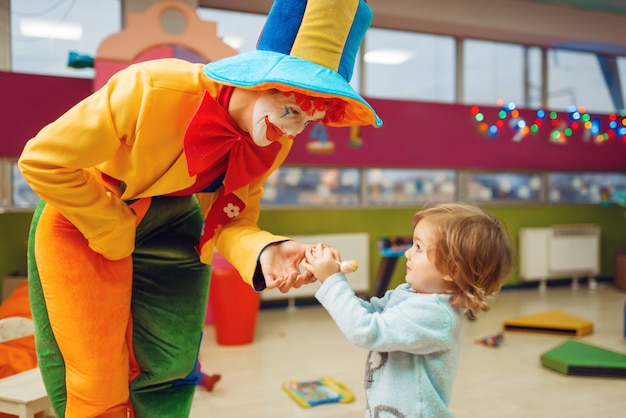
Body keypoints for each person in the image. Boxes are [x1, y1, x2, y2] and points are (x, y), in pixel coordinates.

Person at [17, 0, 382, 416]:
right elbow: (43, 159)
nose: (295, 130)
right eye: (293, 111)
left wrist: (266, 250)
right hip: (87, 216)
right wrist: (113, 224)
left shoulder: (274, 140)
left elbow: (233, 218)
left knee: (172, 365)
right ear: (261, 81)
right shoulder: (151, 86)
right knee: (97, 378)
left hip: (176, 224)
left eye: (309, 121)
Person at [302, 202, 515, 418]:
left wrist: (332, 281)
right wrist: (330, 279)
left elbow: (364, 329)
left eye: (419, 248)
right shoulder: (412, 293)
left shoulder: (435, 315)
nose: (407, 253)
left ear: (452, 269)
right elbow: (370, 314)